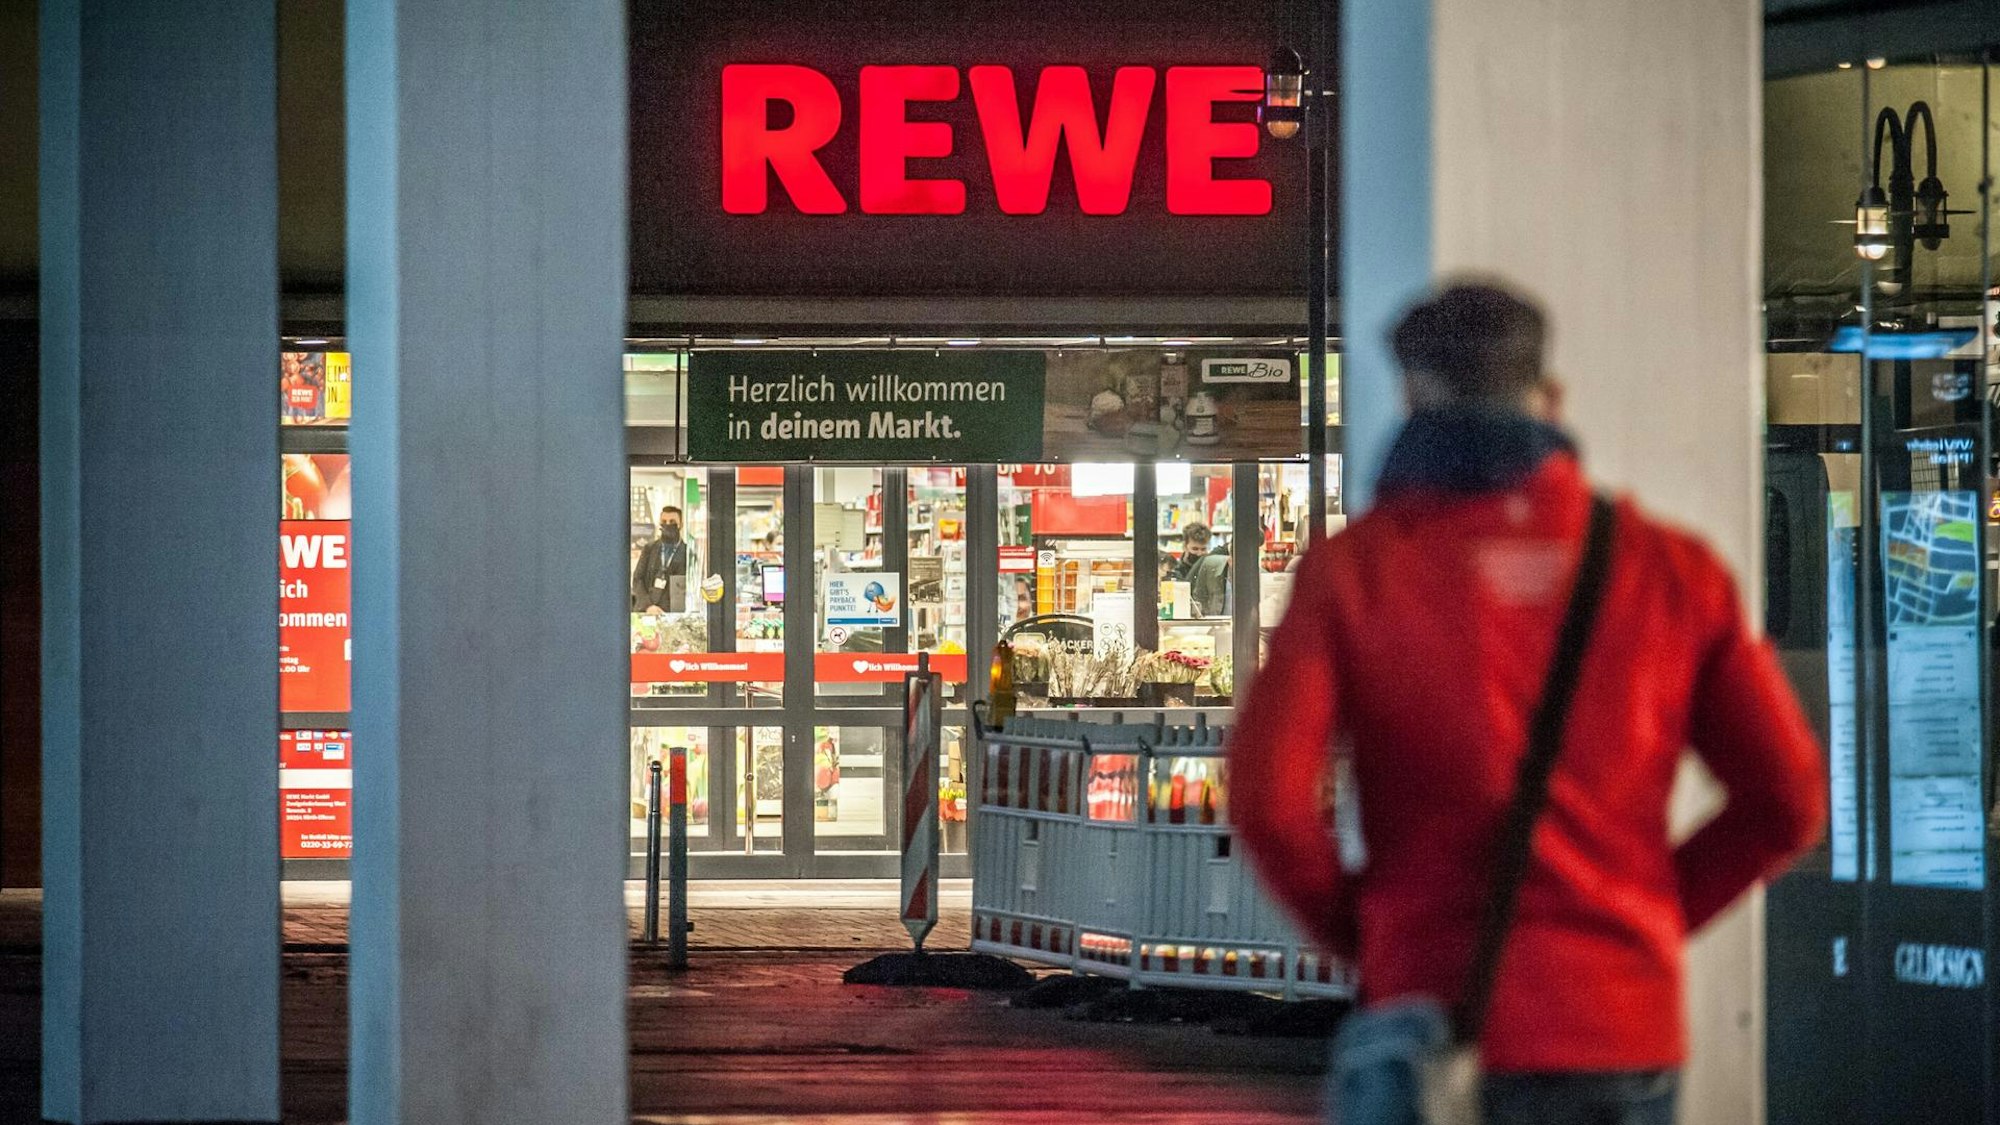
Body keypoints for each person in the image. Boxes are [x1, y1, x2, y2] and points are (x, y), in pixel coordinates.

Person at [1228, 281, 1826, 1124]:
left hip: (1431, 1013)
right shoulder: (1670, 570)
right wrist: (1646, 920)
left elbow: (1267, 800)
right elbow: (1789, 801)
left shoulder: (1353, 573)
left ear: (1408, 396)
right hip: (1620, 1027)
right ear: (1550, 398)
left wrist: (1381, 936)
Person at [631, 505, 693, 613]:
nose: (667, 524)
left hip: (674, 615)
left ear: (681, 525)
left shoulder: (689, 554)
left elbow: (691, 587)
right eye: (664, 521)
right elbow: (637, 579)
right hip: (646, 613)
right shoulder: (649, 549)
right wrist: (648, 606)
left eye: (672, 521)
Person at [1166, 522, 1230, 617]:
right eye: (1195, 549)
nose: (1199, 553)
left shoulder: (1213, 567)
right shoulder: (1176, 571)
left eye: (1203, 549)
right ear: (1185, 546)